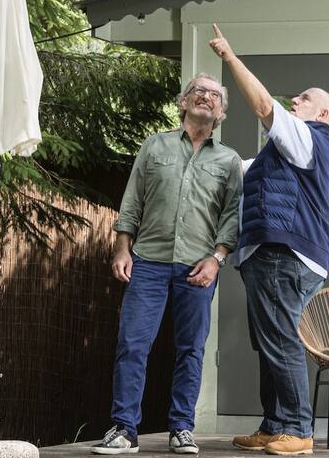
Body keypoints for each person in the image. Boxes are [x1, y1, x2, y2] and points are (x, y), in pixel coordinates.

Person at [90, 73, 242, 455]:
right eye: (198, 91)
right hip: (148, 262)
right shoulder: (154, 147)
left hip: (198, 268)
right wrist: (122, 249)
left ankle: (181, 429)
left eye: (214, 94)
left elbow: (232, 216)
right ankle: (124, 429)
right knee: (133, 344)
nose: (205, 97)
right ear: (183, 102)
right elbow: (133, 201)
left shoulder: (228, 160)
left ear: (221, 111)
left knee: (190, 348)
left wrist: (217, 259)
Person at [209, 24, 329, 456]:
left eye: (303, 98)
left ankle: (299, 431)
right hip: (274, 257)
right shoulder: (280, 152)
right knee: (268, 340)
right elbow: (234, 171)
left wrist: (229, 58)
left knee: (280, 339)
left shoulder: (307, 138)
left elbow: (264, 105)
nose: (294, 101)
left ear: (319, 114)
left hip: (286, 255)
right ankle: (274, 425)